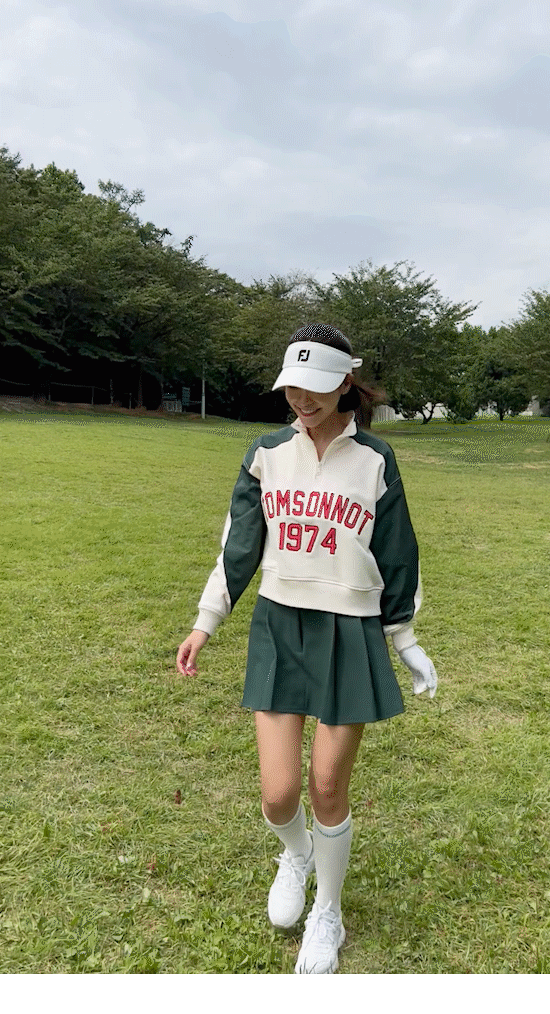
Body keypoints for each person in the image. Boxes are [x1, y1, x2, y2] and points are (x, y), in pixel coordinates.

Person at [176, 324, 438, 974]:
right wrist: (206, 622)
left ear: (345, 381)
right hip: (279, 624)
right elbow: (238, 545)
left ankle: (329, 911)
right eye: (292, 386)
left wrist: (405, 638)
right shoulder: (266, 453)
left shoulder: (375, 459)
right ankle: (296, 854)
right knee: (278, 794)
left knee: (326, 786)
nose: (301, 399)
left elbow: (397, 554)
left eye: (315, 386)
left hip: (351, 630)